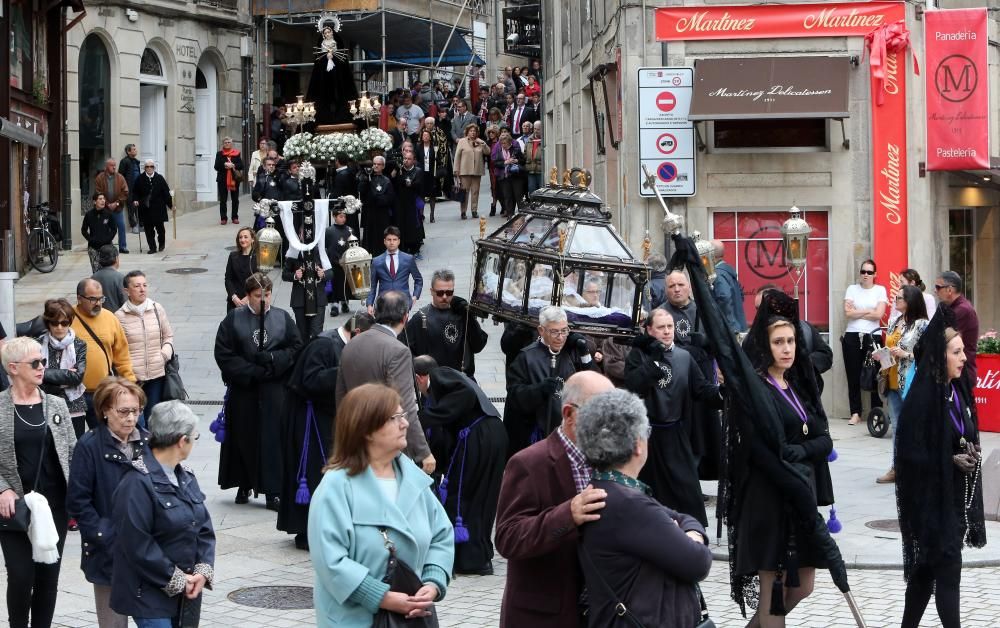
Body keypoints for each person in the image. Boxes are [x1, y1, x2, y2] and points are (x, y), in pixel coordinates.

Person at [308, 383, 454, 627]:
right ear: (366, 429)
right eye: (394, 418)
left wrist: (432, 582)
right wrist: (381, 597)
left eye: (404, 416)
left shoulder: (414, 480)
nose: (405, 423)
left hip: (411, 619)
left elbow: (441, 535)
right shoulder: (336, 487)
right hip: (353, 620)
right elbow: (330, 561)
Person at [729, 290, 835, 626]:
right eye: (779, 343)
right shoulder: (757, 391)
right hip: (768, 499)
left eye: (791, 341)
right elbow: (762, 452)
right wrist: (801, 451)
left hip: (800, 497)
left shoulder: (799, 385)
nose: (787, 348)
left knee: (804, 585)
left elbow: (824, 439)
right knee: (772, 591)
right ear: (765, 345)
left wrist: (801, 451)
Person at [575, 388, 712, 626]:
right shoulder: (629, 505)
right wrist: (693, 535)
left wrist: (684, 527)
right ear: (638, 444)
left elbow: (678, 516)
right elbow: (698, 562)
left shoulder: (604, 488)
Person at [495, 371, 615, 627]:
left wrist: (686, 527)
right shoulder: (528, 463)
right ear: (569, 414)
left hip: (597, 612)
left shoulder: (612, 460)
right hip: (544, 615)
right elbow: (507, 538)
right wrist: (567, 514)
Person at [896, 318, 986, 628]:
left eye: (963, 352)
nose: (964, 358)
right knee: (949, 570)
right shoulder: (921, 399)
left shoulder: (958, 388)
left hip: (953, 500)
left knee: (925, 573)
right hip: (929, 504)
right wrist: (949, 460)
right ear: (938, 355)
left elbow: (967, 431)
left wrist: (971, 450)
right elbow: (909, 456)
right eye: (957, 352)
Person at [110, 401, 216, 627]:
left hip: (186, 592)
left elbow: (204, 528)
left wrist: (202, 571)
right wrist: (177, 579)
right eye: (194, 437)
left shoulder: (186, 476)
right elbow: (137, 544)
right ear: (182, 441)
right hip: (149, 594)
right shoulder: (136, 482)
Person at [278, 312, 374, 550]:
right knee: (312, 474)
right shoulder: (324, 344)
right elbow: (309, 380)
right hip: (310, 423)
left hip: (328, 419)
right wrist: (345, 372)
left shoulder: (344, 347)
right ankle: (307, 530)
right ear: (357, 333)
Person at [0, 337, 77, 628]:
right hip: (15, 507)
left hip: (54, 505)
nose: (42, 367)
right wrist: (3, 489)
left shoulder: (56, 404)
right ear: (13, 367)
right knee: (21, 576)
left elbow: (72, 451)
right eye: (35, 363)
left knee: (48, 576)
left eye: (43, 361)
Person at [623, 308, 721, 525]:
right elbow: (633, 386)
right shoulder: (639, 355)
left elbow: (702, 389)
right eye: (661, 327)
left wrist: (722, 393)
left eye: (670, 327)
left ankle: (691, 532)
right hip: (645, 436)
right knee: (649, 493)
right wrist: (654, 361)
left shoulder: (684, 357)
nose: (667, 332)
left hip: (675, 433)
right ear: (649, 330)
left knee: (686, 489)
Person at [214, 272, 303, 510]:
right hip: (245, 389)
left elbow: (296, 348)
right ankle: (244, 483)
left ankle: (273, 490)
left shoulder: (283, 318)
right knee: (243, 435)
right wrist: (250, 371)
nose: (264, 300)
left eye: (268, 294)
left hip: (274, 389)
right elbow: (224, 353)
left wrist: (274, 360)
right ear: (248, 295)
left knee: (273, 439)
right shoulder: (233, 319)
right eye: (257, 295)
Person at [66, 377, 148, 628]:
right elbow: (78, 501)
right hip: (108, 551)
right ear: (104, 411)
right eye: (123, 411)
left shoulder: (149, 442)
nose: (131, 417)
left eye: (136, 410)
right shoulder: (89, 446)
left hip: (148, 551)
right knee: (113, 623)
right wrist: (104, 534)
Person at [414, 360, 507, 575]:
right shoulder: (451, 375)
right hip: (492, 435)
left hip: (478, 438)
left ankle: (470, 558)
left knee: (465, 495)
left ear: (420, 377)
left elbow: (463, 396)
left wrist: (423, 418)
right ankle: (480, 555)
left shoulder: (439, 375)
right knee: (482, 497)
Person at [337, 290, 434, 473]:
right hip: (385, 447)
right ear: (405, 318)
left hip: (353, 444)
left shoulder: (351, 345)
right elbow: (405, 405)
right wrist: (423, 452)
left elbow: (341, 400)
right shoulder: (398, 351)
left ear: (375, 313)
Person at [505, 305, 597, 458]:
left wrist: (583, 351)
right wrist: (538, 390)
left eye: (564, 331)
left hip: (568, 433)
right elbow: (515, 395)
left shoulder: (571, 352)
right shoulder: (526, 358)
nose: (560, 337)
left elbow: (592, 380)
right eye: (554, 332)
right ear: (541, 331)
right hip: (536, 435)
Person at [876, 285, 929, 484]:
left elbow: (929, 355)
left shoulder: (922, 325)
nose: (895, 301)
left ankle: (917, 468)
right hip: (890, 379)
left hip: (909, 381)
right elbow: (890, 347)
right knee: (897, 427)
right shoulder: (895, 321)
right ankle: (897, 468)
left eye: (899, 298)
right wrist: (881, 354)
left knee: (914, 427)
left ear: (910, 301)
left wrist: (906, 354)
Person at [72, 278, 136, 430]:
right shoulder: (67, 318)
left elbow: (122, 355)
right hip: (73, 394)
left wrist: (130, 382)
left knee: (105, 438)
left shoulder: (110, 318)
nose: (98, 303)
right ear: (79, 298)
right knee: (75, 441)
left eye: (101, 298)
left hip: (102, 393)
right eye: (93, 299)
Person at [746, 285, 833, 393]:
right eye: (757, 308)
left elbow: (826, 355)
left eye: (790, 341)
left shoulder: (805, 328)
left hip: (805, 397)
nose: (760, 313)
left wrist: (802, 364)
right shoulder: (753, 338)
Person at [403, 269, 488, 377]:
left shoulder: (462, 313)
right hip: (434, 384)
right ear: (432, 291)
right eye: (439, 293)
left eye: (449, 293)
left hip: (463, 382)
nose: (444, 297)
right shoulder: (420, 318)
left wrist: (468, 316)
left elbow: (478, 346)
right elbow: (406, 352)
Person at [114, 271, 174, 421]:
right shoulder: (119, 316)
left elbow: (168, 336)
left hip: (156, 375)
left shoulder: (156, 309)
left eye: (144, 285)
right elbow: (117, 348)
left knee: (153, 420)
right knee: (136, 421)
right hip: (133, 378)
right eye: (137, 286)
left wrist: (163, 355)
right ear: (127, 291)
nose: (142, 289)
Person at [843, 259, 888, 425]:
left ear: (875, 274)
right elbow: (847, 313)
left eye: (869, 272)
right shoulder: (852, 289)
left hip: (873, 336)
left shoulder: (880, 290)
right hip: (852, 335)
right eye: (863, 272)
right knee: (853, 375)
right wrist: (869, 310)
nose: (866, 275)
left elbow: (879, 315)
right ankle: (855, 412)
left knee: (875, 374)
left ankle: (876, 412)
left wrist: (858, 311)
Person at [37, 299, 88, 438]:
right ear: (48, 323)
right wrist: (65, 376)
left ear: (70, 322)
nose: (59, 327)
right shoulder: (37, 344)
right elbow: (34, 376)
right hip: (45, 404)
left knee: (74, 450)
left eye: (64, 323)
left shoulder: (79, 345)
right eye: (54, 323)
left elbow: (77, 377)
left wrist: (45, 374)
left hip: (74, 405)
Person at [935, 270, 979, 388]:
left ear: (950, 290)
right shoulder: (951, 308)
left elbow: (941, 338)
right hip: (954, 372)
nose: (935, 291)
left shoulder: (962, 310)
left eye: (938, 287)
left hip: (961, 374)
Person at [366, 227, 423, 312]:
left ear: (399, 241)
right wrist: (369, 304)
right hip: (383, 303)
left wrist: (415, 297)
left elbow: (418, 279)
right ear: (384, 241)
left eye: (394, 239)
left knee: (403, 325)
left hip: (403, 302)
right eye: (389, 240)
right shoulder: (376, 261)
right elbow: (372, 286)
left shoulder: (408, 259)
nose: (392, 242)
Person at [283, 245, 329, 341]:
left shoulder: (321, 250)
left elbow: (331, 272)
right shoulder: (294, 251)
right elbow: (284, 274)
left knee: (317, 333)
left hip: (318, 299)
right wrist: (295, 275)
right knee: (302, 334)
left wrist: (323, 274)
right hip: (300, 300)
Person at [130, 160, 172, 255]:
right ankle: (152, 247)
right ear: (144, 168)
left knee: (160, 229)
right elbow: (135, 192)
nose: (149, 168)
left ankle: (161, 243)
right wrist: (135, 200)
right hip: (146, 208)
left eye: (151, 166)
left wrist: (171, 205)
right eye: (147, 167)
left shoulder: (160, 178)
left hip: (158, 208)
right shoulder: (140, 179)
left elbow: (166, 193)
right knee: (148, 230)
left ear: (154, 168)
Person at [359, 156, 395, 257]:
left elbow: (390, 198)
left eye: (378, 164)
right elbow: (362, 192)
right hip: (370, 212)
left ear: (383, 166)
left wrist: (378, 199)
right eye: (374, 164)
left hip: (382, 213)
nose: (375, 166)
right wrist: (365, 179)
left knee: (381, 235)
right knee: (369, 236)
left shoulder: (386, 180)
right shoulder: (367, 177)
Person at [453, 123, 491, 220]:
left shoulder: (480, 141)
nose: (473, 133)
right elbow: (457, 156)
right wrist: (456, 170)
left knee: (475, 192)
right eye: (471, 131)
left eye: (474, 131)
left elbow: (488, 152)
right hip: (464, 170)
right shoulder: (462, 141)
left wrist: (483, 144)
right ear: (467, 132)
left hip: (477, 170)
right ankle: (463, 211)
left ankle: (474, 210)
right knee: (464, 192)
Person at [94, 158, 131, 253]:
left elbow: (125, 191)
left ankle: (122, 246)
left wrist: (117, 203)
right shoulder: (99, 178)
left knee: (121, 226)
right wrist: (107, 204)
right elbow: (98, 191)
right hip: (105, 208)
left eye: (115, 165)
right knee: (105, 227)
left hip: (117, 208)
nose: (114, 167)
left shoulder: (120, 177)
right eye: (111, 165)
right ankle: (107, 246)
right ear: (106, 167)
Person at [392, 152, 425, 254]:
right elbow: (395, 183)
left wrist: (411, 184)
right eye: (405, 158)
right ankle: (404, 244)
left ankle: (415, 245)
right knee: (402, 223)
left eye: (409, 159)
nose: (406, 160)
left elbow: (419, 184)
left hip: (413, 202)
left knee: (413, 223)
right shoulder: (399, 170)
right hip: (401, 202)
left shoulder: (418, 171)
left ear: (413, 160)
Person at [324, 207, 355, 316]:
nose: (343, 219)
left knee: (346, 284)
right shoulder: (329, 231)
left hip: (347, 263)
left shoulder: (349, 230)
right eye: (341, 216)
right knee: (334, 284)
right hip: (333, 263)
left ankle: (345, 302)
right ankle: (334, 305)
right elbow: (325, 247)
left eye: (345, 216)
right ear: (334, 217)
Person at [712, 239, 748, 333]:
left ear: (711, 254)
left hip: (730, 330)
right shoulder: (728, 272)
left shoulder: (717, 275)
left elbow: (724, 297)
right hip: (738, 325)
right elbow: (741, 295)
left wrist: (730, 327)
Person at [224, 227, 260, 311]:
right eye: (240, 237)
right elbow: (228, 279)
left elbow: (261, 281)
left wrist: (248, 297)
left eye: (245, 237)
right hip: (234, 302)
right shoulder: (233, 256)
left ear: (252, 239)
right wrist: (234, 297)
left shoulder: (259, 257)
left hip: (252, 301)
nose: (242, 240)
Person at [491, 131, 524, 219]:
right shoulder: (499, 150)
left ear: (509, 142)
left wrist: (517, 161)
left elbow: (523, 160)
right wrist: (505, 162)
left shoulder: (516, 149)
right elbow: (495, 163)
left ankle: (522, 214)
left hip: (516, 176)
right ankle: (510, 215)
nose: (503, 145)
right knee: (507, 196)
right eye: (501, 143)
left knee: (518, 195)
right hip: (504, 176)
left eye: (504, 143)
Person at [82, 193, 118, 273]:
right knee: (96, 271)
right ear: (94, 202)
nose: (103, 201)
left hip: (107, 246)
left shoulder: (108, 214)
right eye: (100, 199)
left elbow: (114, 229)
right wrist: (91, 240)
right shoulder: (89, 215)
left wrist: (108, 239)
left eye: (103, 199)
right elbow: (83, 230)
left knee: (108, 270)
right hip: (93, 247)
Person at [214, 136, 244, 225]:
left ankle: (235, 217)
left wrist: (233, 165)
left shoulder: (236, 153)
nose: (227, 144)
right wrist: (225, 165)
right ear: (223, 144)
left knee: (235, 199)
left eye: (229, 142)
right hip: (222, 179)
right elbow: (216, 166)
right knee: (223, 200)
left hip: (234, 180)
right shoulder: (219, 154)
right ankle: (223, 218)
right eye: (225, 142)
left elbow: (241, 165)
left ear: (232, 143)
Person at [91, 245, 127, 312]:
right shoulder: (120, 278)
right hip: (116, 318)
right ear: (116, 258)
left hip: (98, 315)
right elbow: (125, 302)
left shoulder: (93, 277)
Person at [118, 144, 142, 234]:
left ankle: (140, 224)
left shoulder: (136, 162)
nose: (136, 150)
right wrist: (124, 188)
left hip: (137, 188)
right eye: (134, 149)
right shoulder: (124, 162)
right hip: (129, 189)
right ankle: (133, 226)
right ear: (128, 152)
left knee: (138, 206)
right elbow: (120, 176)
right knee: (131, 207)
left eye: (136, 149)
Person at [521, 121, 543, 196]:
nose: (536, 131)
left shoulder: (545, 139)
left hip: (541, 171)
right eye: (535, 129)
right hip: (531, 171)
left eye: (538, 129)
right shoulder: (529, 140)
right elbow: (525, 154)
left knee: (541, 192)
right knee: (532, 191)